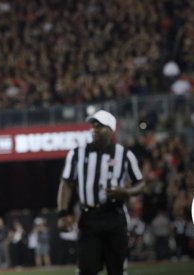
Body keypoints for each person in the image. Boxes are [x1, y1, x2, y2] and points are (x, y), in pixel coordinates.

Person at [57, 110, 145, 275]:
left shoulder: (125, 154)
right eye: (93, 125)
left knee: (116, 270)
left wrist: (126, 192)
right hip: (89, 218)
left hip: (115, 216)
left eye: (100, 126)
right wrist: (62, 213)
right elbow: (66, 183)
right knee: (87, 270)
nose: (94, 129)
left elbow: (141, 184)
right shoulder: (77, 153)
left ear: (111, 131)